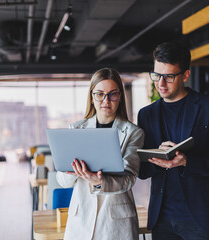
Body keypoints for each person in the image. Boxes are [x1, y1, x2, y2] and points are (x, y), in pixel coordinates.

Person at [138, 41, 209, 240]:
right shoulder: (146, 114)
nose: (160, 84)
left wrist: (186, 161)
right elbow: (143, 170)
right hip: (162, 217)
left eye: (169, 77)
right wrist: (157, 158)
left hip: (200, 217)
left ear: (186, 75)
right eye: (156, 75)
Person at [56, 68, 144, 240]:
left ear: (120, 96)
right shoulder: (76, 129)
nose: (106, 100)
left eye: (113, 94)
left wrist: (99, 181)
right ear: (91, 96)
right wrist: (73, 170)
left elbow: (129, 178)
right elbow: (62, 180)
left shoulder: (133, 133)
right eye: (100, 94)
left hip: (116, 222)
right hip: (81, 219)